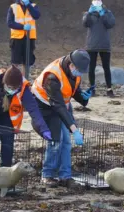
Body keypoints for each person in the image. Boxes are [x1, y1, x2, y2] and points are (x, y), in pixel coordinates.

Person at [31, 50, 91, 187]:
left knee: (66, 143)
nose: (79, 74)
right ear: (71, 65)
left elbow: (71, 89)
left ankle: (65, 176)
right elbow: (58, 106)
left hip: (61, 105)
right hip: (45, 107)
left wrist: (83, 97)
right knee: (55, 141)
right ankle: (47, 175)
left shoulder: (73, 72)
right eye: (78, 70)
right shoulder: (52, 77)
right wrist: (74, 128)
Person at [0, 65, 51, 168]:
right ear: (4, 83)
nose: (12, 90)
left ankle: (6, 166)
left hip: (9, 113)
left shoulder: (24, 88)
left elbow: (34, 110)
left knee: (8, 138)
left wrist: (44, 128)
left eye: (15, 88)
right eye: (10, 88)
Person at [82, 0, 116, 97]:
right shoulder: (88, 13)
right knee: (91, 68)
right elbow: (85, 23)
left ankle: (109, 89)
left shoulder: (107, 12)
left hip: (104, 45)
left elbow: (111, 24)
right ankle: (92, 89)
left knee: (106, 67)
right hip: (91, 45)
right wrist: (88, 13)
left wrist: (103, 14)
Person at [7, 0, 40, 75]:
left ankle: (25, 81)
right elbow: (10, 23)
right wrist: (22, 27)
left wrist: (28, 5)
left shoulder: (33, 6)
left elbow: (36, 16)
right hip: (17, 38)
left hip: (29, 38)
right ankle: (12, 82)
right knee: (15, 61)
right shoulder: (13, 7)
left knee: (27, 61)